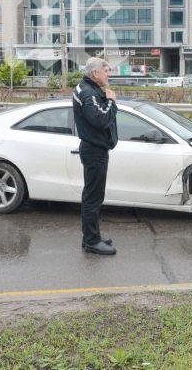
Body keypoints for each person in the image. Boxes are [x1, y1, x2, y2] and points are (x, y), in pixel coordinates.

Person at [72, 57, 118, 255]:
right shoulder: (89, 94)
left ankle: (90, 236)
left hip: (94, 148)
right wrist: (112, 101)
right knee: (93, 197)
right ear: (95, 74)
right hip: (94, 150)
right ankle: (91, 241)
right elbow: (100, 120)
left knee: (92, 196)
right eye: (106, 70)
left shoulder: (86, 89)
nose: (109, 74)